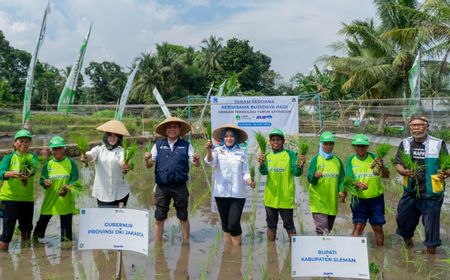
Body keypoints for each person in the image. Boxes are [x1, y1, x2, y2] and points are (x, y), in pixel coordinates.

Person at [393, 114, 449, 254]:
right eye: (413, 125)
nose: (416, 128)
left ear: (427, 126)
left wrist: (445, 173)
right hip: (411, 190)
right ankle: (408, 242)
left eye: (420, 125)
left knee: (431, 226)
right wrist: (403, 171)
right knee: (402, 218)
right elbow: (398, 163)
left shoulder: (437, 143)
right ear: (410, 127)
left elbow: (448, 165)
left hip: (431, 193)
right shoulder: (405, 143)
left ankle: (431, 256)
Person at [144, 117, 200, 244]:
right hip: (162, 187)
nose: (172, 129)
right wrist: (147, 159)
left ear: (179, 129)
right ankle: (158, 244)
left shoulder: (186, 146)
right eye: (169, 127)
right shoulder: (158, 145)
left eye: (175, 127)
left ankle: (186, 243)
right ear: (165, 130)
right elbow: (149, 165)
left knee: (183, 216)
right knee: (159, 217)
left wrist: (197, 160)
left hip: (180, 186)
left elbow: (195, 163)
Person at [205, 123, 256, 246]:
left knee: (233, 223)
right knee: (225, 223)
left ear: (236, 138)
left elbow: (245, 172)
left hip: (238, 194)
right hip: (221, 192)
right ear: (223, 138)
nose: (229, 138)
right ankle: (228, 251)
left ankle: (237, 249)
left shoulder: (241, 153)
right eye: (226, 136)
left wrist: (249, 181)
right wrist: (209, 150)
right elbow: (211, 162)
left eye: (232, 136)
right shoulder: (217, 151)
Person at [258, 129, 304, 241]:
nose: (275, 142)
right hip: (270, 197)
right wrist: (262, 164)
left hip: (285, 198)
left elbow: (297, 173)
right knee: (271, 226)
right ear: (270, 142)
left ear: (283, 141)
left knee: (289, 226)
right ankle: (271, 252)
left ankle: (294, 251)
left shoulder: (291, 155)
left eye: (278, 139)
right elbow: (263, 172)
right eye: (273, 140)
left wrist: (300, 166)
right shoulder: (267, 156)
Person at [33, 136, 80, 242]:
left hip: (65, 199)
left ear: (63, 149)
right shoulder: (47, 165)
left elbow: (75, 179)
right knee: (41, 223)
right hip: (50, 199)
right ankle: (34, 244)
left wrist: (69, 186)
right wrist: (45, 182)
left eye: (59, 148)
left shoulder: (70, 163)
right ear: (51, 150)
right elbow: (42, 181)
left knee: (66, 235)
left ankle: (66, 253)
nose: (57, 151)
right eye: (54, 149)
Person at [346, 134, 390, 246]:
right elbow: (348, 177)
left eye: (363, 146)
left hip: (376, 200)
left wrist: (382, 167)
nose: (360, 148)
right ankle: (353, 254)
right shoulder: (351, 159)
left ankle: (380, 256)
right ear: (354, 146)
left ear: (367, 147)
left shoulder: (376, 158)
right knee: (358, 226)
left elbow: (386, 175)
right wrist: (357, 183)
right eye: (358, 146)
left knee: (378, 227)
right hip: (359, 199)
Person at [0, 129, 39, 250]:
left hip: (27, 199)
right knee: (7, 231)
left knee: (26, 229)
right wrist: (10, 173)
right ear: (15, 143)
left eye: (27, 141)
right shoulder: (9, 158)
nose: (24, 143)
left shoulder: (33, 157)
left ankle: (25, 258)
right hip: (9, 199)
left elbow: (33, 169)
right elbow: (1, 172)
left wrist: (27, 175)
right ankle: (3, 261)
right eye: (21, 141)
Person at [81, 120, 131, 207]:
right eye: (110, 135)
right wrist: (85, 157)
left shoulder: (122, 151)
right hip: (102, 194)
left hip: (120, 193)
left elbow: (123, 161)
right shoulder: (99, 149)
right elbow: (90, 155)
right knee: (105, 219)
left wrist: (125, 165)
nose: (112, 138)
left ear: (119, 138)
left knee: (119, 219)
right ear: (106, 136)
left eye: (115, 136)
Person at [307, 131, 345, 235]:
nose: (328, 146)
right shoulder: (316, 159)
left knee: (328, 230)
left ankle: (324, 249)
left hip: (332, 201)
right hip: (318, 201)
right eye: (325, 144)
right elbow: (310, 178)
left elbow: (341, 179)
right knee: (323, 230)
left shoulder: (337, 161)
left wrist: (342, 191)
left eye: (331, 144)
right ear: (321, 144)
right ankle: (321, 250)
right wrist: (315, 175)